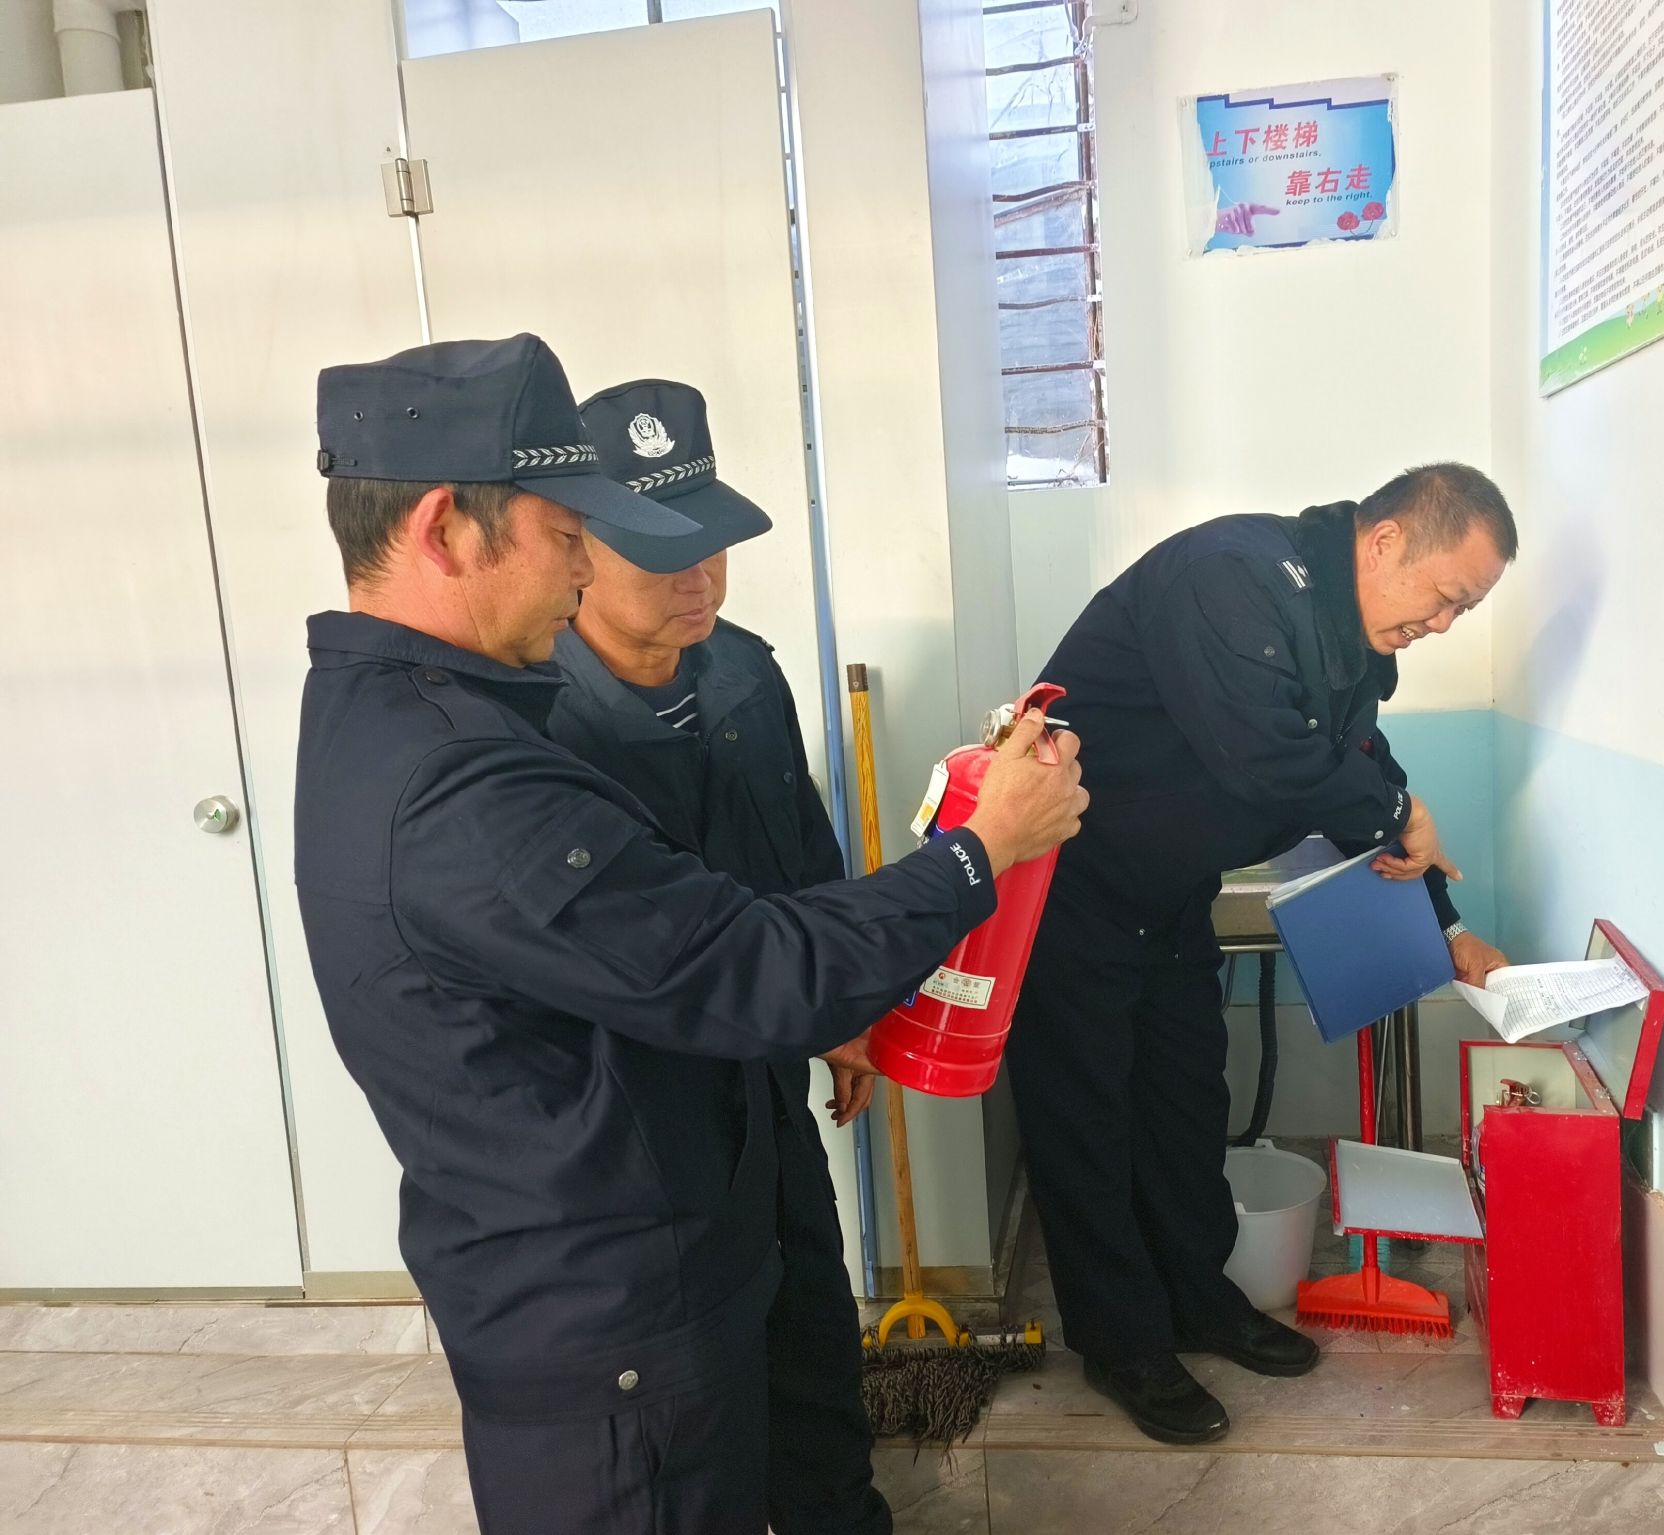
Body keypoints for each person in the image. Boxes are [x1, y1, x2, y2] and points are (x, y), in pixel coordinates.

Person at [294, 334, 1086, 1533]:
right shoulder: (468, 780)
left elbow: (769, 900)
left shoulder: (424, 715)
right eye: (569, 534)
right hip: (607, 1311)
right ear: (447, 527)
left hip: (688, 1194)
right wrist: (980, 850)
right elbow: (744, 965)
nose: (581, 570)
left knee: (811, 1437)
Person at [1005, 464, 1516, 1445]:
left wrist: (1448, 928)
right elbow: (1267, 755)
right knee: (1087, 1121)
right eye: (1445, 596)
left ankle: (1199, 1299)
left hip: (1166, 897)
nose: (1445, 623)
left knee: (1185, 1103)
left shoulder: (1353, 645)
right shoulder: (1229, 576)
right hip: (1070, 890)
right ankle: (1121, 1341)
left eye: (1466, 609)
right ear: (1385, 541)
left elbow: (1362, 778)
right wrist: (1396, 808)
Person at [545, 376, 884, 1532]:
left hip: (765, 1076)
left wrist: (844, 1008)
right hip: (641, 1120)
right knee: (699, 1381)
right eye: (659, 551)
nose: (696, 575)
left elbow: (802, 850)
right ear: (577, 549)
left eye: (711, 542)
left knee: (813, 1328)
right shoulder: (538, 724)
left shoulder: (740, 669)